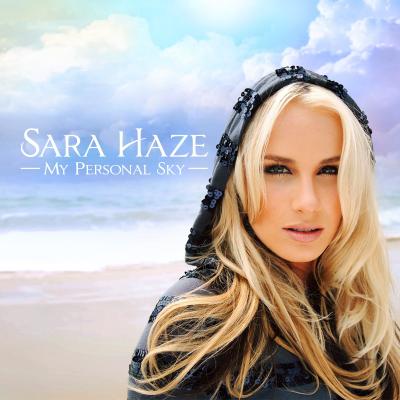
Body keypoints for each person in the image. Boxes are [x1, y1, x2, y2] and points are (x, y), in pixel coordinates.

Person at [127, 66, 400, 399]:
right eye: (278, 169)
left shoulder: (363, 311)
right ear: (238, 179)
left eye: (331, 169)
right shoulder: (199, 317)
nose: (307, 202)